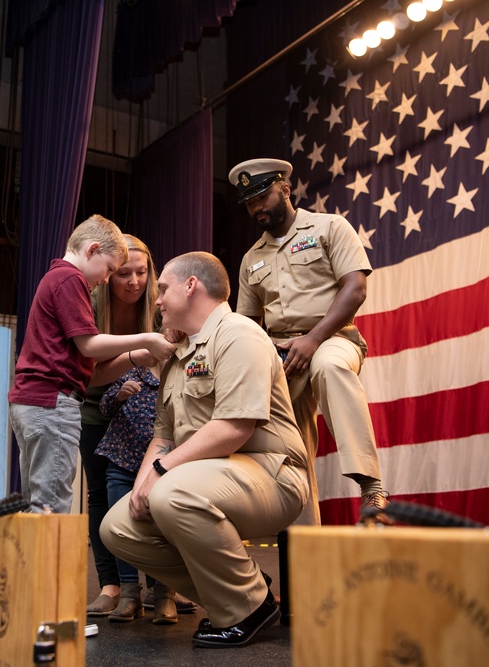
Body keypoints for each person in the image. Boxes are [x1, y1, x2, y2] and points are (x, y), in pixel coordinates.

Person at [101, 252, 309, 648]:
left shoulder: (239, 334)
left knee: (171, 492)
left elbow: (234, 427)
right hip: (212, 477)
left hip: (273, 476)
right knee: (119, 527)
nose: (157, 299)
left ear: (191, 285)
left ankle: (248, 608)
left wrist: (159, 475)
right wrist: (143, 485)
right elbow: (163, 436)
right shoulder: (178, 356)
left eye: (163, 288)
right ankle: (244, 586)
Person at [230, 158, 391, 524]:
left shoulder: (330, 226)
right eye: (249, 202)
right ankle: (304, 546)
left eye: (262, 196)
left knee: (330, 366)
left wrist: (313, 339)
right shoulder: (251, 258)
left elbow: (356, 288)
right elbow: (247, 324)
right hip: (280, 355)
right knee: (289, 449)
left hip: (333, 336)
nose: (256, 208)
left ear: (285, 189)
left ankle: (371, 486)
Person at [8, 215, 175, 516]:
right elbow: (89, 345)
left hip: (33, 403)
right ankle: (50, 565)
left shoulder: (57, 278)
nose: (107, 279)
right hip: (52, 403)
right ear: (92, 250)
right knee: (52, 507)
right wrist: (148, 339)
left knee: (38, 502)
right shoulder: (71, 279)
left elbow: (88, 362)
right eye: (111, 269)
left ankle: (34, 564)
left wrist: (136, 353)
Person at [81, 235, 158, 617]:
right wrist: (134, 356)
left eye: (141, 273)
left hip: (146, 416)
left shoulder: (159, 308)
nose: (133, 281)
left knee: (157, 496)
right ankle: (111, 585)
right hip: (95, 408)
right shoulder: (90, 306)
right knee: (101, 496)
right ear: (108, 275)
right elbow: (89, 377)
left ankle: (163, 588)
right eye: (123, 273)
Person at [96, 360, 188, 624]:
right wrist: (119, 394)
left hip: (161, 468)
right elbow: (105, 407)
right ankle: (128, 594)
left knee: (161, 529)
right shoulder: (135, 371)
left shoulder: (181, 375)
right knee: (120, 526)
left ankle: (163, 594)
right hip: (122, 462)